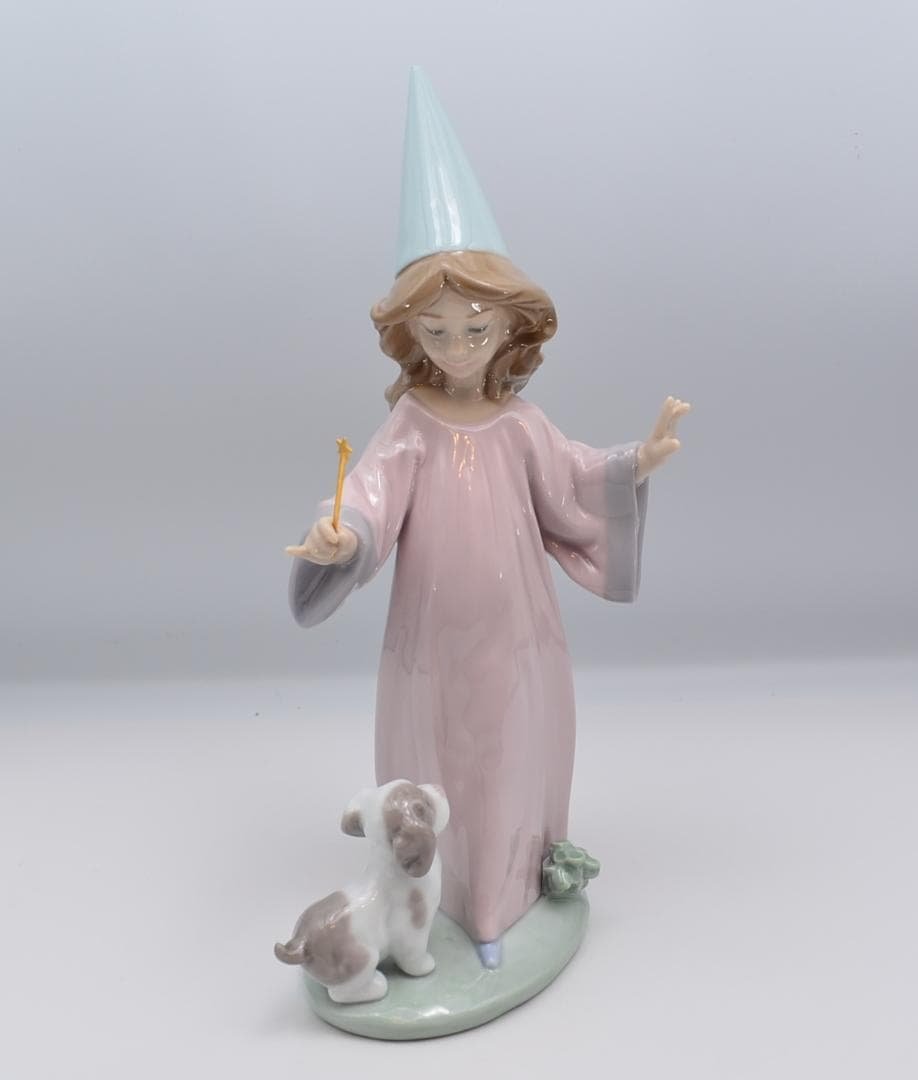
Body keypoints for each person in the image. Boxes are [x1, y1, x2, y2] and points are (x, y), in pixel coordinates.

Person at [285, 71, 690, 969]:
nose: (458, 348)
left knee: (509, 751)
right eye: (435, 332)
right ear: (409, 336)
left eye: (476, 329)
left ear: (512, 328)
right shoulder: (412, 425)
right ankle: (438, 904)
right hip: (430, 642)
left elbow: (576, 475)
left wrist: (634, 462)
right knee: (436, 760)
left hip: (517, 637)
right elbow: (370, 493)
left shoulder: (520, 425)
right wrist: (342, 534)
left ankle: (505, 900)